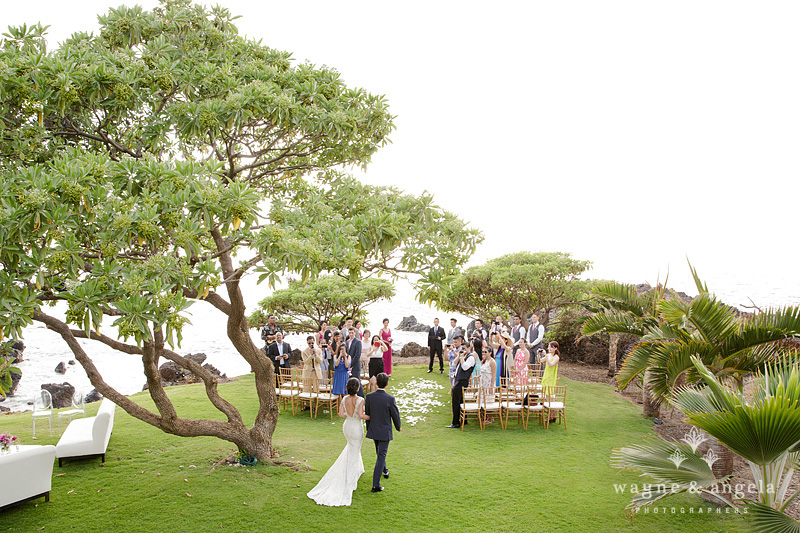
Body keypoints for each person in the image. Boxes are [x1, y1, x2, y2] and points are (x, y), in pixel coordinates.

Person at [307, 377, 370, 506]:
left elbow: (341, 414)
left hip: (347, 427)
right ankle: (350, 480)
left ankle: (359, 469)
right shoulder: (360, 400)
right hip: (356, 428)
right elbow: (362, 415)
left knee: (352, 448)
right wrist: (372, 416)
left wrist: (349, 415)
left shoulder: (344, 399)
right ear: (357, 388)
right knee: (354, 449)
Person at [364, 372, 401, 493]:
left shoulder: (369, 397)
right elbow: (395, 414)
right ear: (387, 384)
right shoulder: (390, 399)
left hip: (374, 429)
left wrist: (368, 428)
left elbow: (368, 414)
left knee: (379, 452)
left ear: (376, 383)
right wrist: (398, 427)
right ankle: (375, 485)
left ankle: (385, 470)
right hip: (384, 431)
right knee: (381, 455)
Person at [447, 336, 476, 428]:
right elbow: (454, 363)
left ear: (469, 348)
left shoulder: (470, 358)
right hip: (458, 379)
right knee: (460, 401)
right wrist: (459, 355)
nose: (463, 350)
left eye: (464, 348)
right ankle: (464, 419)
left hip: (462, 381)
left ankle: (455, 422)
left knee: (456, 401)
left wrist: (462, 357)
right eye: (462, 348)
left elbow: (464, 367)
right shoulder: (463, 356)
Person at [480, 344, 497, 423]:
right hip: (483, 381)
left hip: (489, 382)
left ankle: (490, 417)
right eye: (483, 352)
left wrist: (491, 386)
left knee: (489, 399)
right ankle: (484, 416)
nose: (484, 353)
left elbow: (493, 375)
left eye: (485, 352)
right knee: (483, 398)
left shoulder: (492, 361)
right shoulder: (484, 361)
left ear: (490, 353)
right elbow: (484, 371)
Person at [346, 327, 364, 397]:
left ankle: (361, 397)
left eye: (352, 333)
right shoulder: (347, 342)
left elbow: (357, 355)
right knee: (350, 381)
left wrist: (350, 363)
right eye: (349, 333)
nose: (351, 334)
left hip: (355, 364)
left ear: (355, 333)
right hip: (348, 364)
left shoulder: (358, 342)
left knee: (357, 380)